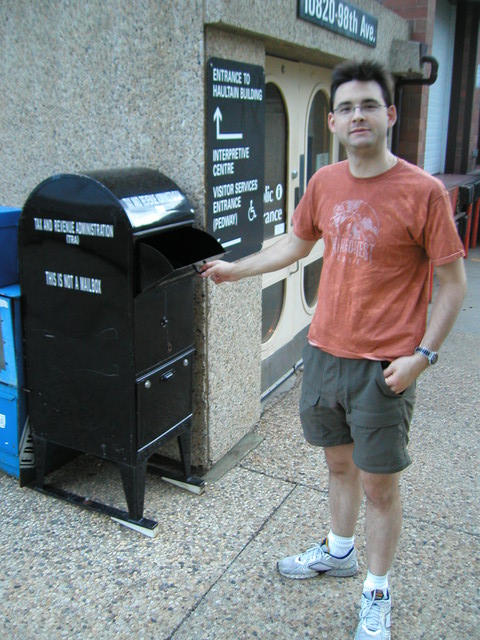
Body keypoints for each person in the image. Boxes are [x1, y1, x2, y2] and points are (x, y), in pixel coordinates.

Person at [200, 59, 467, 639]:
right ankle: (340, 551)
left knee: (380, 485)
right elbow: (294, 245)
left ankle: (377, 588)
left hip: (384, 368)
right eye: (346, 107)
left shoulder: (423, 194)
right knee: (337, 464)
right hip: (324, 354)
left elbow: (453, 285)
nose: (357, 115)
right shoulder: (323, 183)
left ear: (390, 114)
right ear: (334, 120)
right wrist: (235, 271)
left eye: (369, 104)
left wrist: (423, 355)